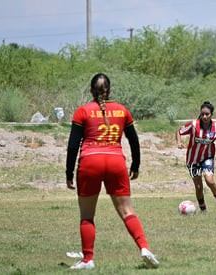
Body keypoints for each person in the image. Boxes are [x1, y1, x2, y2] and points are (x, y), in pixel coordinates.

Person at [65, 73, 159, 269]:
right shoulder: (122, 110)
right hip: (116, 162)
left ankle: (88, 260)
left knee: (87, 216)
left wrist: (68, 173)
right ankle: (144, 248)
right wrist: (135, 165)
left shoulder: (82, 111)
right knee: (127, 211)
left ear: (91, 91)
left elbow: (73, 145)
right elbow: (134, 140)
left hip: (90, 162)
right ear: (110, 91)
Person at [176, 101, 216, 214]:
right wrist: (179, 142)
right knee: (199, 187)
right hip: (193, 160)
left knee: (210, 181)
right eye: (202, 114)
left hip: (207, 158)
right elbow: (179, 131)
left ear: (212, 115)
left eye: (207, 114)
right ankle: (203, 210)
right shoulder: (194, 125)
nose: (204, 117)